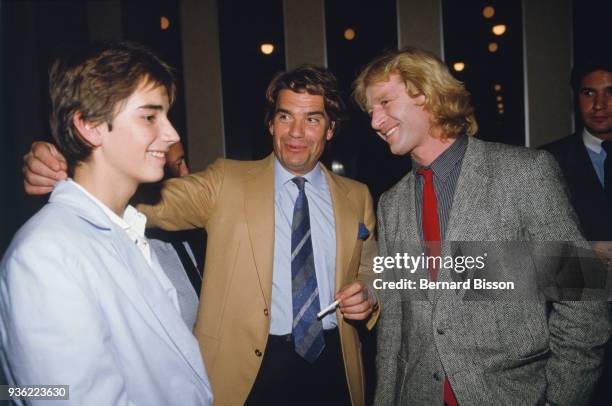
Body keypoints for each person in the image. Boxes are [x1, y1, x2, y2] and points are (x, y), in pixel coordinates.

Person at [22, 65, 379, 406]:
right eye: (285, 117)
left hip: (334, 365)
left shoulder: (357, 195)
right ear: (271, 124)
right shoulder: (226, 180)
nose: (296, 132)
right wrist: (71, 169)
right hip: (249, 372)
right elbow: (155, 203)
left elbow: (370, 269)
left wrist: (367, 293)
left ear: (330, 129)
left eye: (312, 119)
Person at [352, 47, 610, 405]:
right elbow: (394, 326)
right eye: (370, 111)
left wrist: (559, 400)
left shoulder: (523, 173)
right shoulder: (390, 202)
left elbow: (581, 302)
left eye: (384, 103)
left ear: (426, 94)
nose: (375, 122)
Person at [1, 41, 212, 404]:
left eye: (166, 116)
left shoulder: (127, 230)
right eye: (150, 117)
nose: (173, 134)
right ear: (90, 125)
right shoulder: (43, 256)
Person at [541, 57, 612, 405]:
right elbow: (530, 252)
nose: (600, 105)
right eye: (589, 92)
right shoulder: (546, 162)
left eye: (611, 92)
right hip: (576, 330)